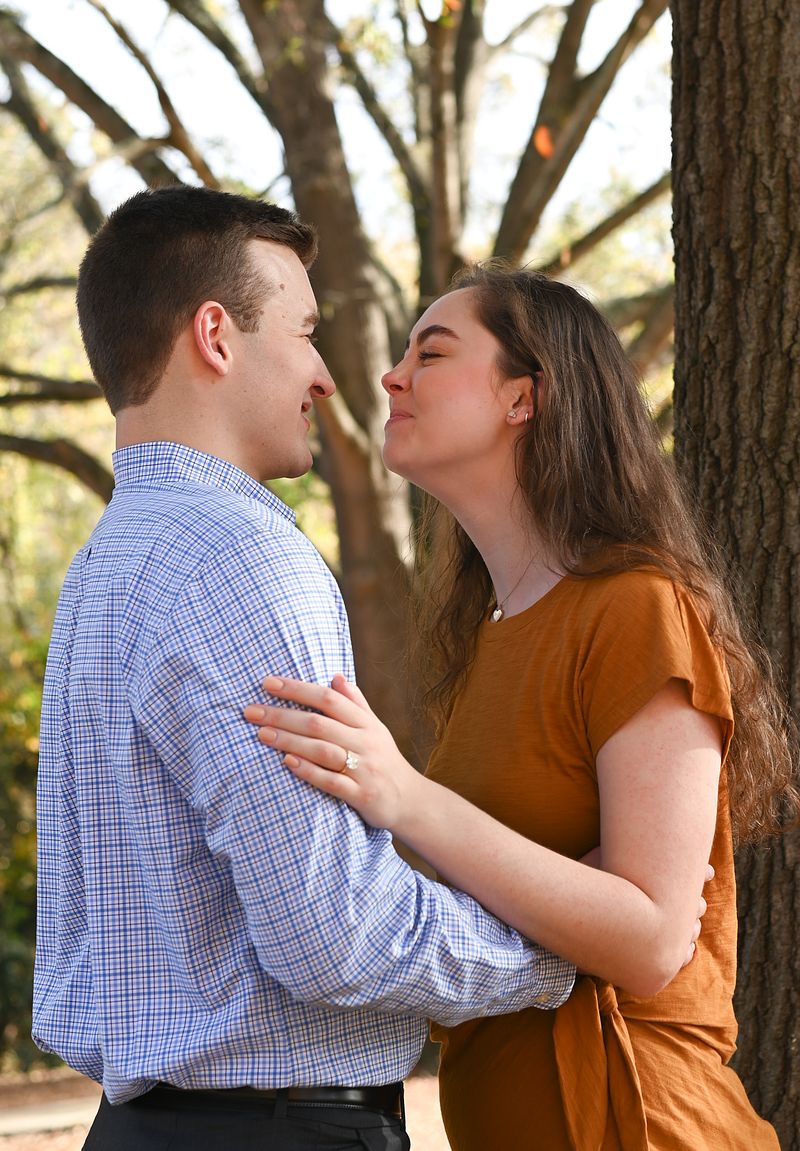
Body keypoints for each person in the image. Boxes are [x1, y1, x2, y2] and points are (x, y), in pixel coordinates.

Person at [33, 190, 580, 1151]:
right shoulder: (241, 556)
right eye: (305, 330)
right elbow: (330, 935)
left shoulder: (106, 564)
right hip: (275, 1133)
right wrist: (557, 952)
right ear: (216, 335)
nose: (328, 376)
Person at [244, 263, 799, 1150]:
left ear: (523, 398)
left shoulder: (636, 607)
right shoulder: (489, 635)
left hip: (640, 1125)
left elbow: (654, 938)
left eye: (432, 352)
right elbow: (509, 905)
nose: (392, 376)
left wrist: (408, 798)